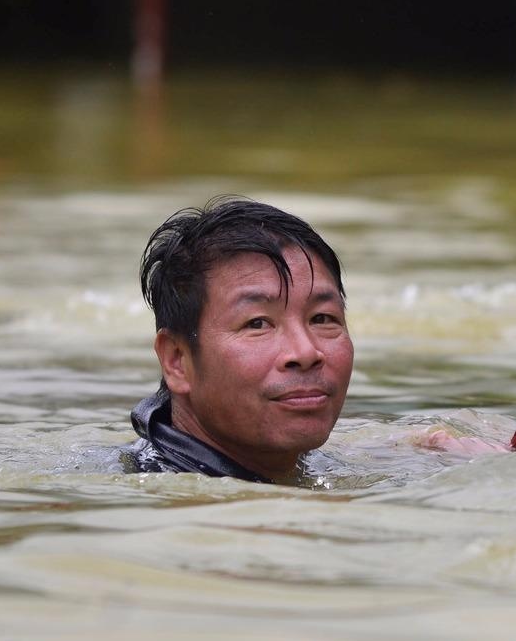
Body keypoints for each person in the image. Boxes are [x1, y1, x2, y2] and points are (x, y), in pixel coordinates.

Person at [122, 197, 354, 484]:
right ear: (177, 361)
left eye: (322, 318)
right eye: (256, 323)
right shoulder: (174, 505)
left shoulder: (284, 463)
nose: (306, 352)